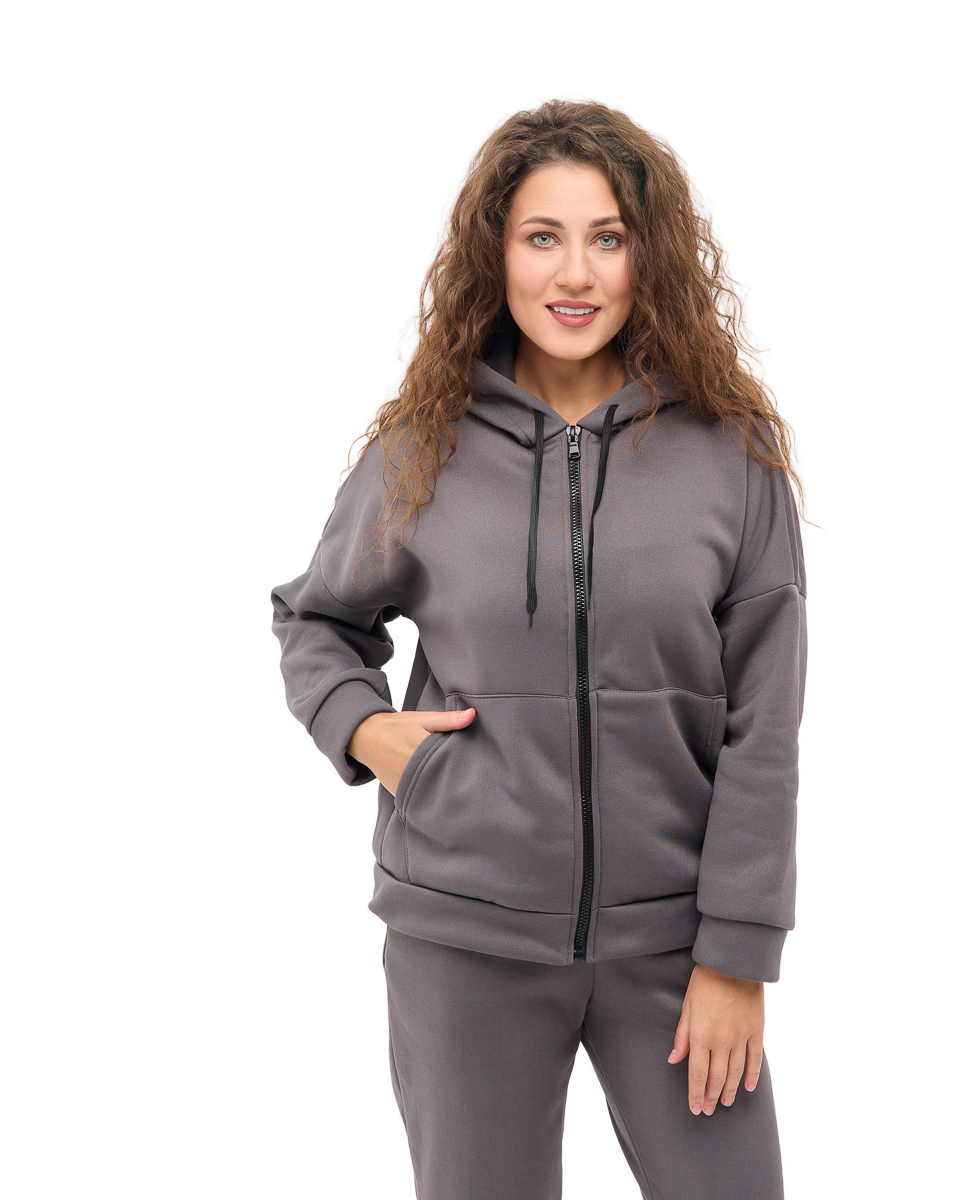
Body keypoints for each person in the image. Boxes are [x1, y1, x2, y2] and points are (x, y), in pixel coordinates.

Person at [270, 98, 808, 1200]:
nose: (576, 273)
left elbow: (765, 725)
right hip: (463, 935)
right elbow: (316, 618)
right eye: (542, 237)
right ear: (497, 254)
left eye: (608, 237)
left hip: (677, 950)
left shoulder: (729, 451)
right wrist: (371, 733)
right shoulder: (422, 447)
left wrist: (738, 952)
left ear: (649, 256)